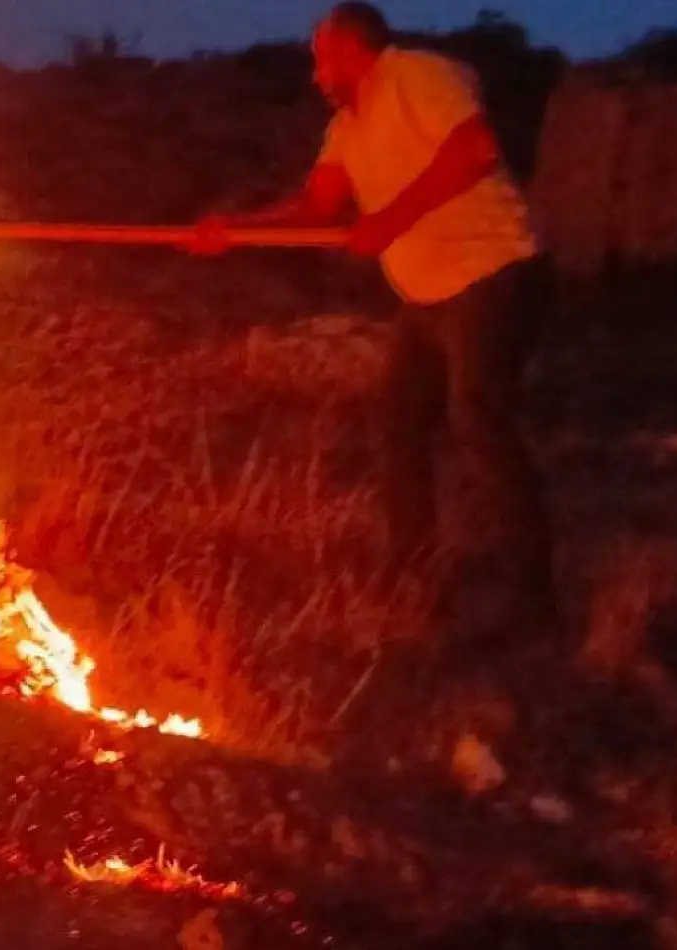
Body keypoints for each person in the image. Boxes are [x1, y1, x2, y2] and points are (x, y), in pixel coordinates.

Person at [193, 2, 558, 639]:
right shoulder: (347, 127)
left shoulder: (416, 75)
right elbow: (319, 203)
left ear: (356, 48)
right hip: (426, 295)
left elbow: (473, 151)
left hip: (494, 273)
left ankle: (532, 598)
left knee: (476, 415)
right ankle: (412, 569)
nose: (315, 74)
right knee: (397, 423)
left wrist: (391, 219)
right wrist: (235, 230)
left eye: (321, 57)